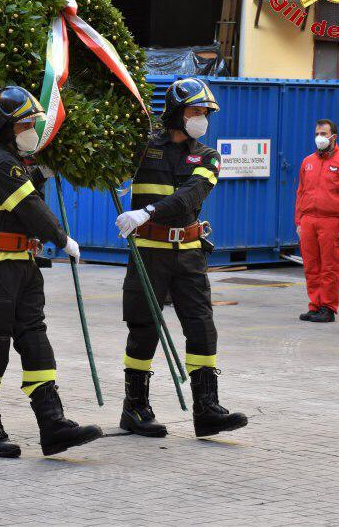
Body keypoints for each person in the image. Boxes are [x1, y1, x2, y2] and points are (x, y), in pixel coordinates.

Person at [0, 86, 102, 458]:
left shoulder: (8, 161)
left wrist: (42, 171)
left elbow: (24, 194)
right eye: (25, 123)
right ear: (6, 127)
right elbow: (30, 209)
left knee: (34, 338)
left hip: (20, 264)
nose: (31, 129)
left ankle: (52, 423)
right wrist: (62, 238)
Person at [114, 77, 247, 439]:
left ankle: (207, 410)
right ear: (175, 113)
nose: (201, 118)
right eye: (195, 111)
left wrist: (147, 211)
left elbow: (191, 195)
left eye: (205, 112)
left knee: (202, 326)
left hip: (188, 254)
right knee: (143, 329)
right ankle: (135, 408)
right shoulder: (140, 148)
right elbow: (105, 167)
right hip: (149, 253)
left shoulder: (207, 156)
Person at [295, 119, 339, 323]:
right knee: (311, 266)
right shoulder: (308, 162)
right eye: (317, 133)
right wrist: (299, 221)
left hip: (331, 222)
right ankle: (315, 305)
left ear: (334, 136)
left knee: (329, 267)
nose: (320, 138)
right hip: (308, 221)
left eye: (324, 133)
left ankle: (328, 307)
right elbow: (301, 192)